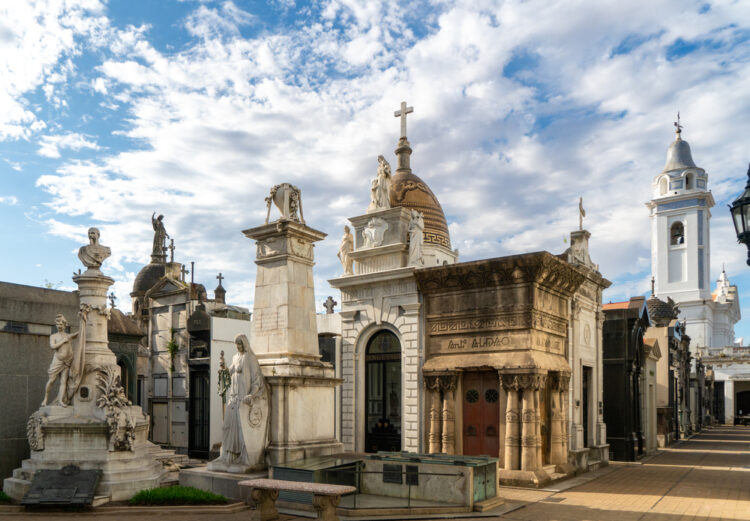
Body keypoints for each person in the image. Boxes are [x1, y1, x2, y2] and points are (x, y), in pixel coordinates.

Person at [215, 334, 264, 466]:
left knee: (241, 430)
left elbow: (256, 381)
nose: (238, 346)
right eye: (236, 344)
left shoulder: (250, 359)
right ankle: (228, 454)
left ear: (245, 344)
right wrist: (223, 367)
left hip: (243, 398)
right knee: (227, 427)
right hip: (233, 397)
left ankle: (241, 456)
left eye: (240, 344)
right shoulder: (235, 357)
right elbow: (229, 371)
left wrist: (252, 395)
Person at [41, 314, 78, 407]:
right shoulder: (53, 336)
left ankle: (61, 401)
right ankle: (45, 398)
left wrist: (85, 323)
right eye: (57, 325)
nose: (59, 326)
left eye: (61, 325)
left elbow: (76, 334)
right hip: (57, 361)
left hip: (67, 362)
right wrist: (62, 341)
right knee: (52, 380)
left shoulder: (68, 335)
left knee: (63, 382)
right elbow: (52, 346)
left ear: (65, 325)